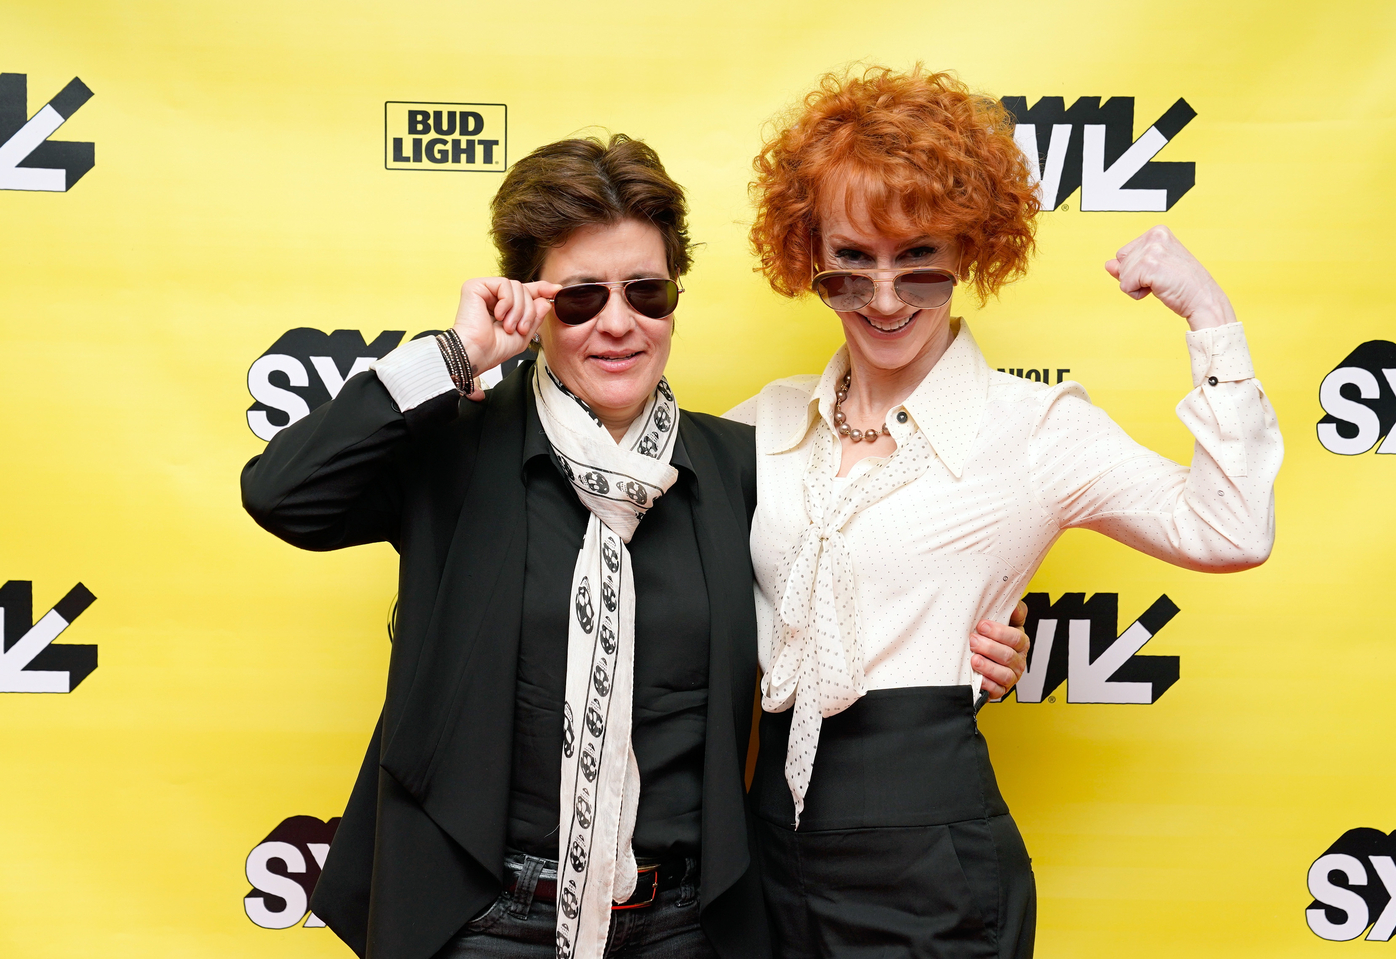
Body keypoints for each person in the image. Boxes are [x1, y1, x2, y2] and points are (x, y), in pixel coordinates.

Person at [240, 133, 1034, 959]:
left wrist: (976, 639)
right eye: (580, 298)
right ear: (533, 301)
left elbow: (853, 593)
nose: (618, 324)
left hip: (682, 926)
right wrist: (457, 355)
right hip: (479, 921)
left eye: (646, 293)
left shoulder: (739, 467)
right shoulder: (459, 445)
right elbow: (281, 493)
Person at [730, 66, 1284, 959]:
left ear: (971, 249)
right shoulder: (764, 422)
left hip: (930, 856)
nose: (882, 298)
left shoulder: (1034, 428)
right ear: (808, 254)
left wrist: (1209, 319)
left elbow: (1230, 528)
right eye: (851, 264)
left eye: (919, 262)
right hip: (770, 846)